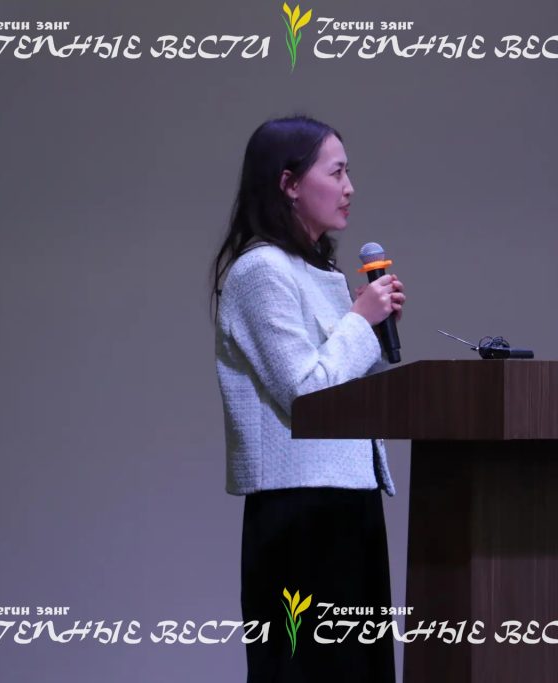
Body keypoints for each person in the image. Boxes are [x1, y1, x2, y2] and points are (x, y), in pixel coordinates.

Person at [211, 116, 405, 682]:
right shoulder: (260, 270)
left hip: (347, 500)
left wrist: (371, 331)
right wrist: (359, 322)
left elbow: (342, 385)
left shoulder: (318, 271)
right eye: (336, 172)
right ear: (289, 183)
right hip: (300, 511)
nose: (349, 187)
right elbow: (306, 394)